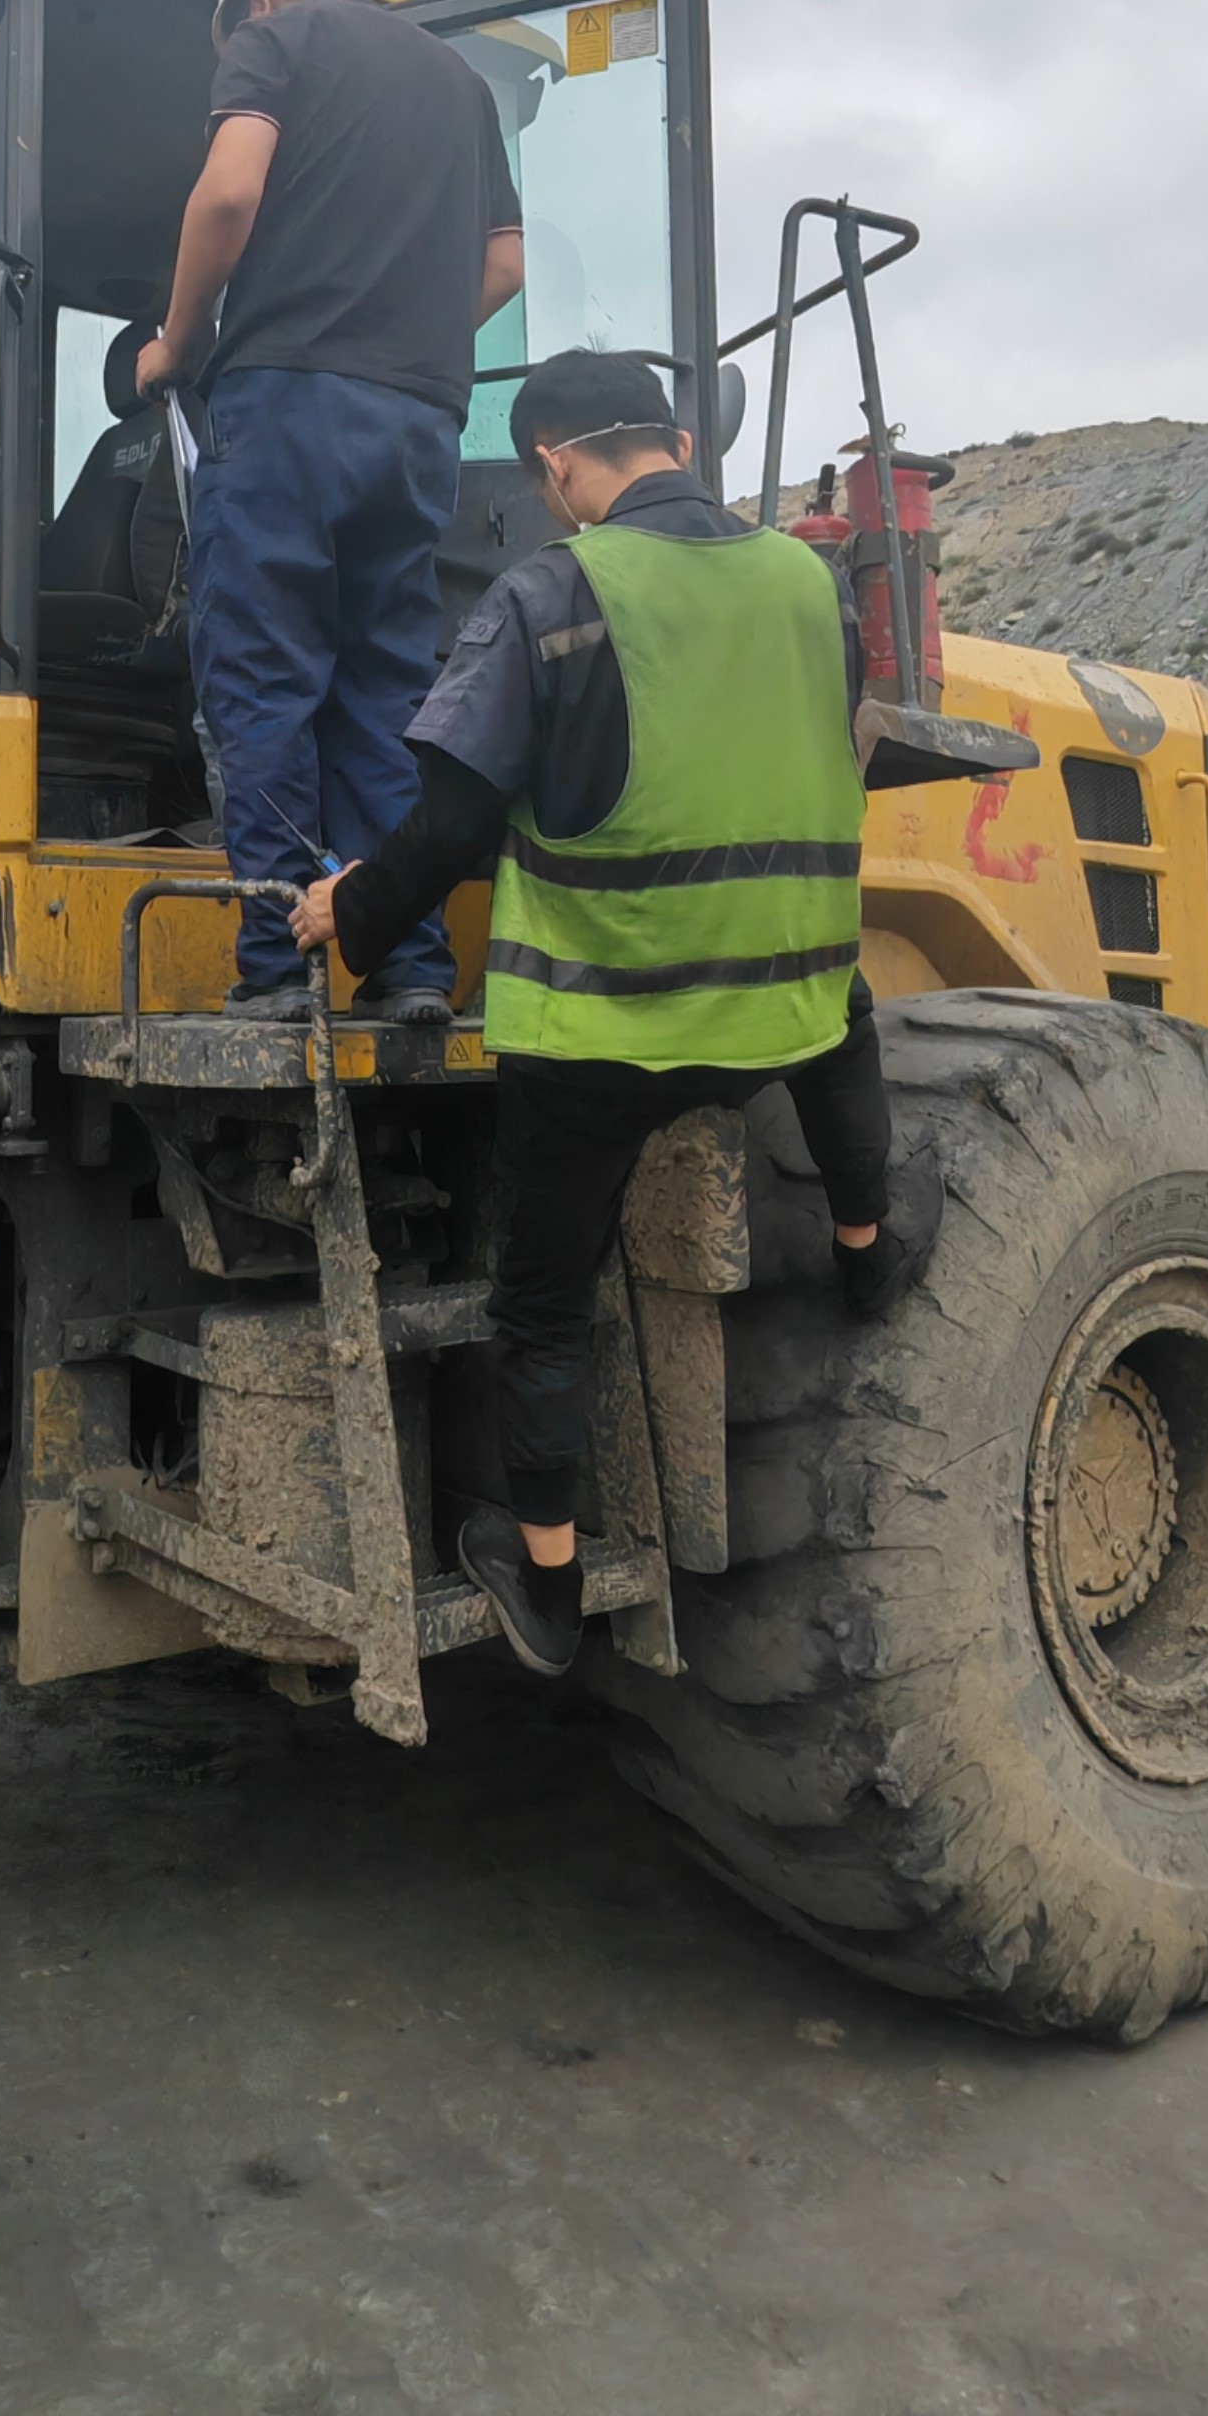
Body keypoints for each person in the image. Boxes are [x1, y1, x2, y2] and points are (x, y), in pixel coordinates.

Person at [290, 349, 935, 1679]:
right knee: (845, 1023)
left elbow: (453, 824)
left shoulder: (552, 593)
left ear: (558, 465)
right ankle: (870, 1246)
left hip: (605, 1032)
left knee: (541, 1303)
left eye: (551, 480)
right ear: (682, 446)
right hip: (784, 995)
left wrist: (347, 915)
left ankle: (544, 1585)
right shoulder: (809, 585)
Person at [133, 0, 525, 1021]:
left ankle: (278, 968)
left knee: (265, 680)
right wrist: (406, 340)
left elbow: (227, 194)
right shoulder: (462, 84)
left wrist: (178, 342)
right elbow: (504, 265)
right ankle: (406, 966)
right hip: (418, 421)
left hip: (287, 406)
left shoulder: (276, 42)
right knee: (385, 690)